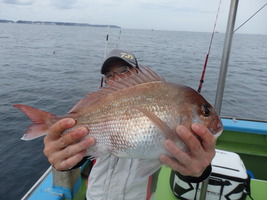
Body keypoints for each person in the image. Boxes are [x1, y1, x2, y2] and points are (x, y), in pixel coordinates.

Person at [43, 49, 216, 199]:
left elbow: (184, 162)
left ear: (138, 75)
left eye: (124, 71)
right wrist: (63, 158)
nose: (117, 78)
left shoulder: (168, 102)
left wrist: (199, 170)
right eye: (110, 75)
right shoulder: (95, 108)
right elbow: (81, 152)